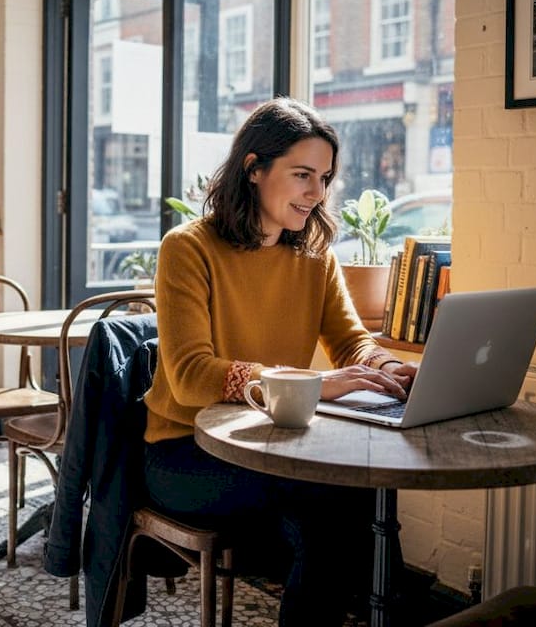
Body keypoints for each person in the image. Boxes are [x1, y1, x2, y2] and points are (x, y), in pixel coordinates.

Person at [143, 97, 420, 625]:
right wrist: (312, 383)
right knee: (336, 506)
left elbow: (351, 342)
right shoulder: (188, 248)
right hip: (185, 453)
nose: (318, 193)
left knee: (355, 502)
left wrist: (387, 368)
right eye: (302, 175)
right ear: (254, 168)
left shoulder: (315, 256)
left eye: (325, 178)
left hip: (269, 442)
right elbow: (190, 377)